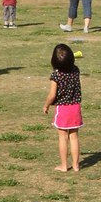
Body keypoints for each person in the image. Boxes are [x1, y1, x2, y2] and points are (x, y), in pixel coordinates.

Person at [43, 43, 82, 173]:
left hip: (63, 109)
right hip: (76, 107)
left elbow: (52, 95)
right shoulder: (76, 70)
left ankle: (64, 165)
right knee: (74, 137)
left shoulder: (56, 76)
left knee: (63, 137)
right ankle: (76, 165)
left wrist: (46, 105)